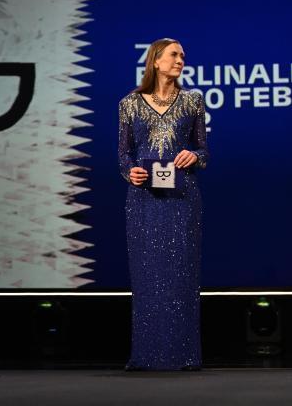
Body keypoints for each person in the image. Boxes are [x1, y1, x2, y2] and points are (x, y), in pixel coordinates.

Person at [118, 37, 208, 371]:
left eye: (183, 55)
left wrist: (194, 155)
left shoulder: (192, 102)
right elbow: (122, 155)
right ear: (156, 60)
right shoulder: (129, 102)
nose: (181, 60)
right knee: (146, 276)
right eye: (174, 54)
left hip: (182, 199)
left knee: (181, 274)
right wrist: (131, 172)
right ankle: (145, 355)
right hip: (143, 201)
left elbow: (205, 152)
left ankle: (185, 355)